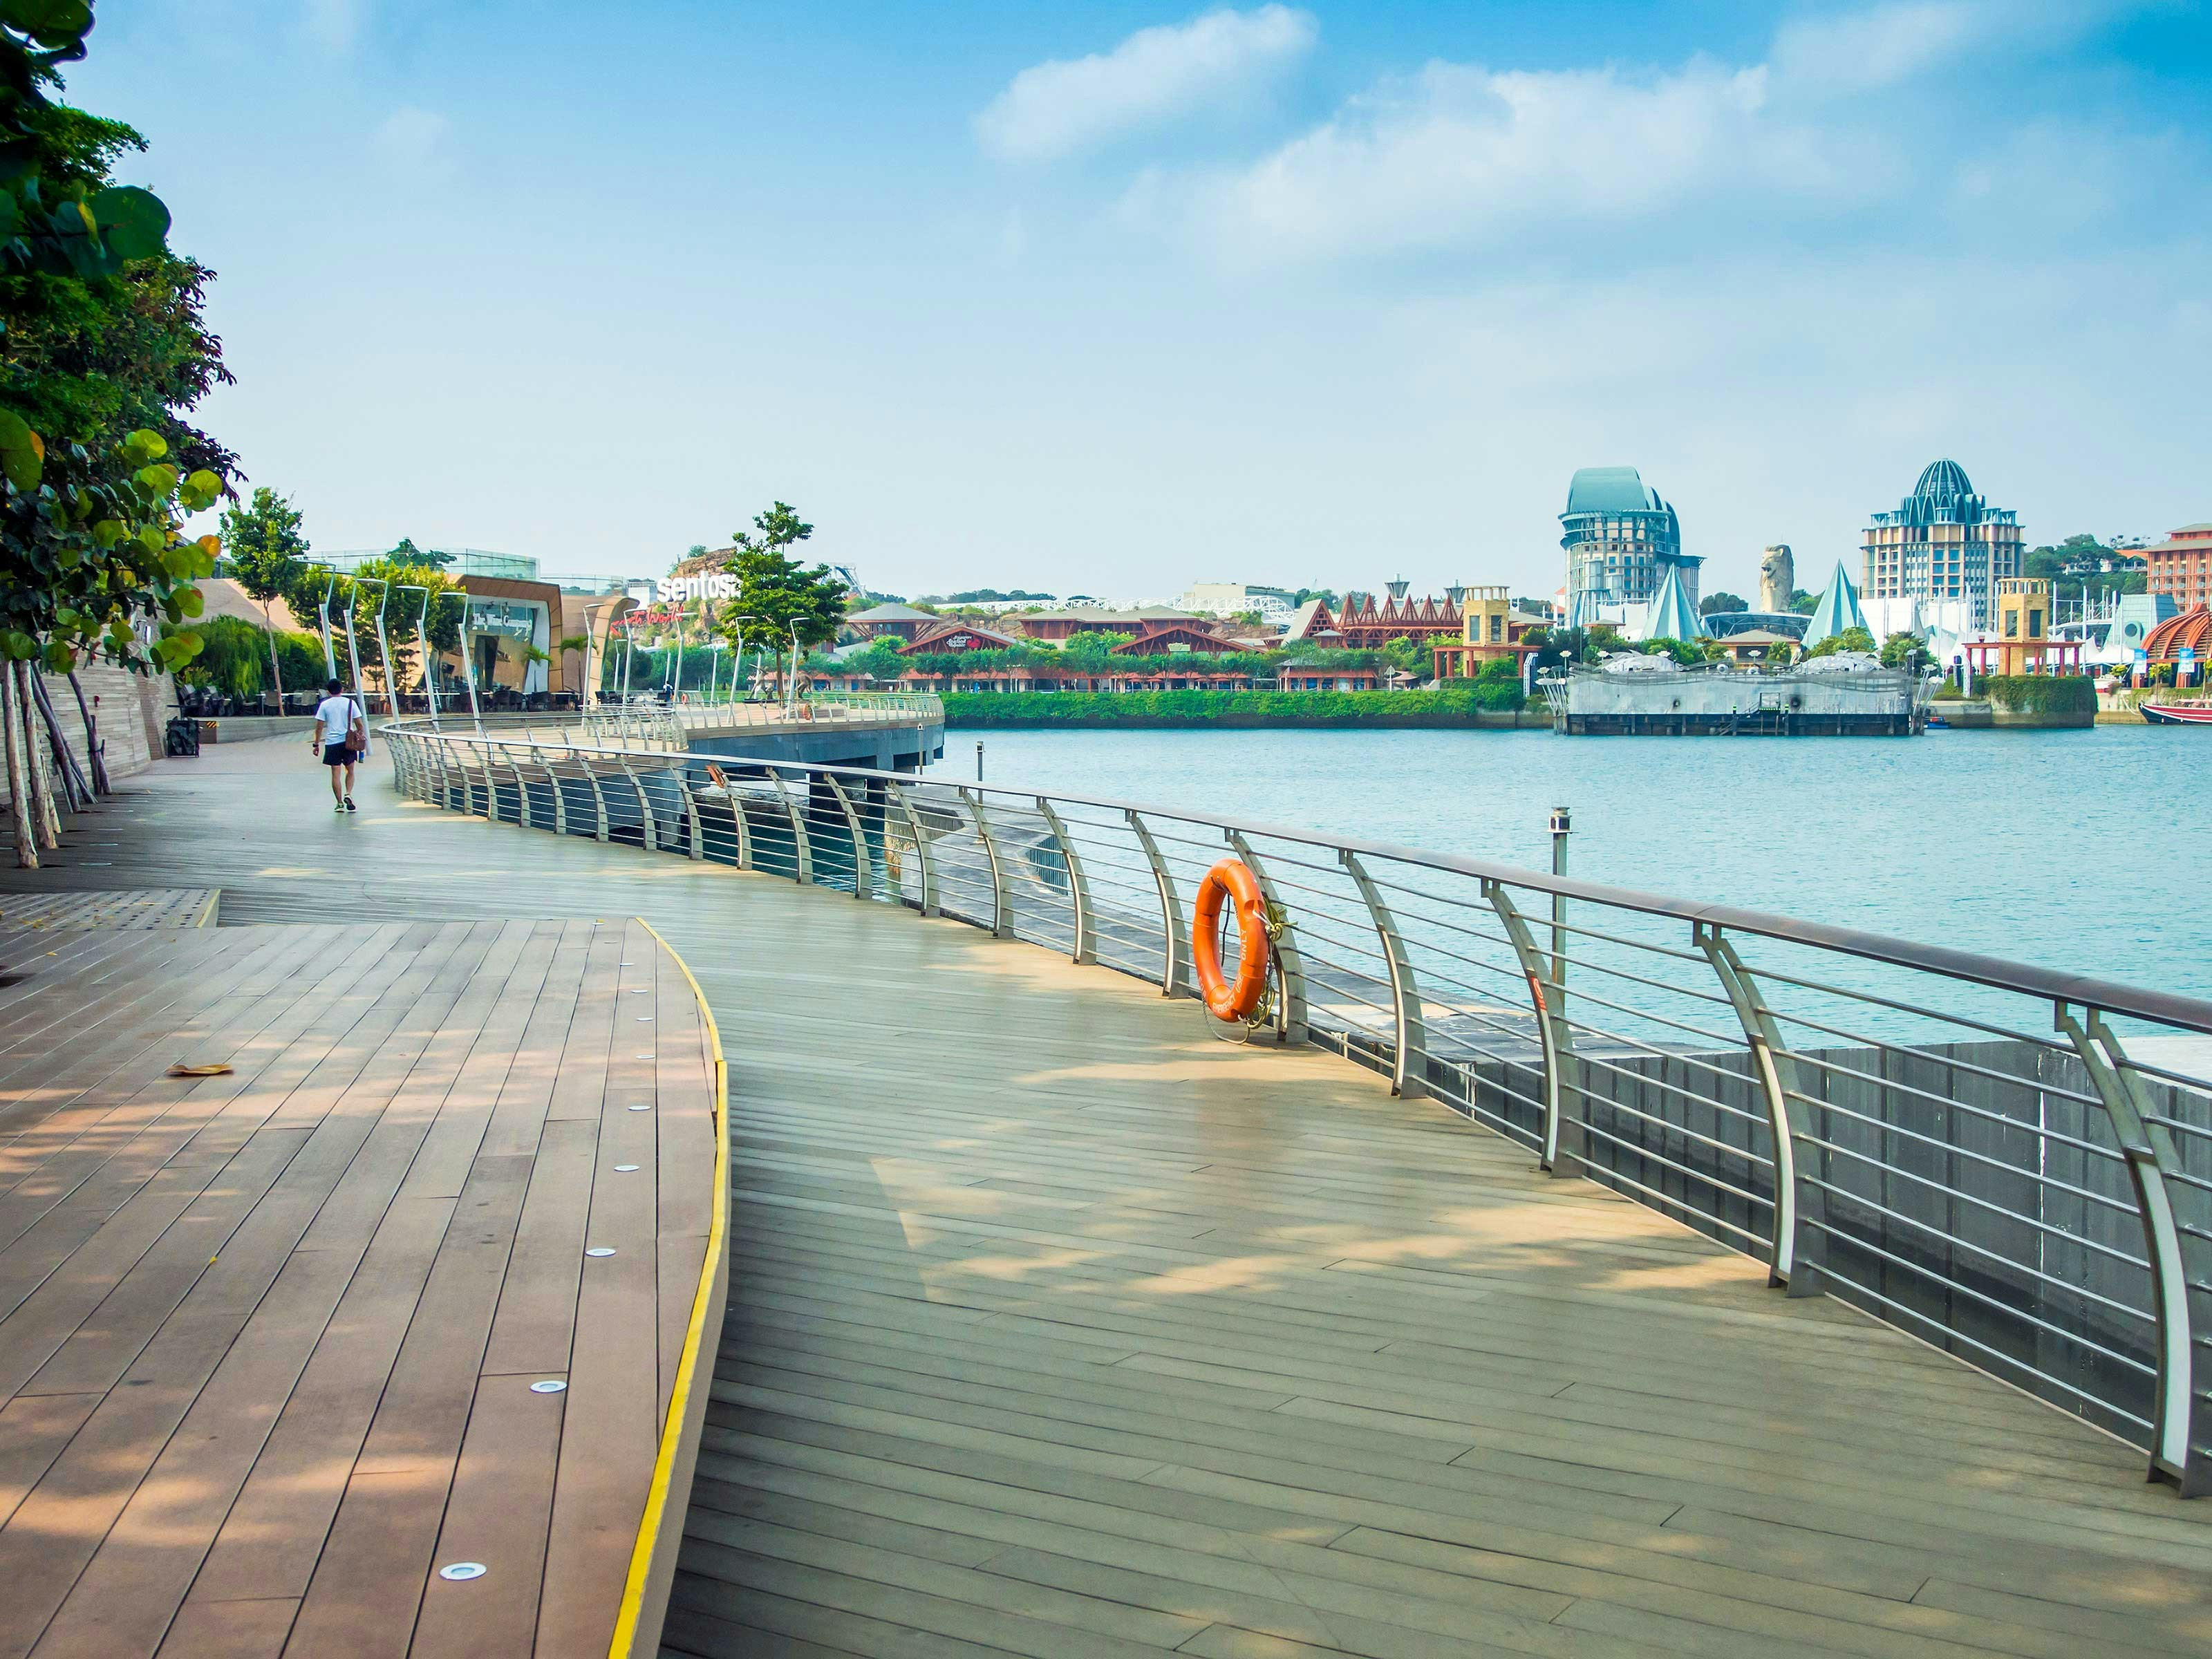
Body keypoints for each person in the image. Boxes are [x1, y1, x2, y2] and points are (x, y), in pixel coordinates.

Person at [312, 677, 362, 812]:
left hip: (332, 743)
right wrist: (359, 736)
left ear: (328, 691)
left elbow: (319, 727)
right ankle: (348, 793)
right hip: (348, 742)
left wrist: (316, 744)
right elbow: (359, 724)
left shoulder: (325, 705)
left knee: (335, 773)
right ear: (342, 689)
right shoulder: (350, 704)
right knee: (350, 770)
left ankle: (339, 803)